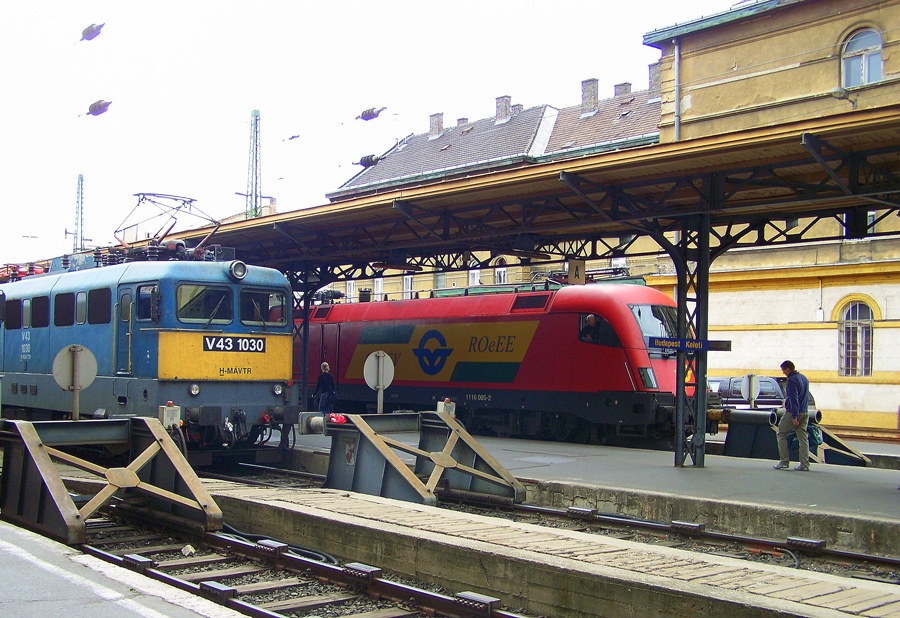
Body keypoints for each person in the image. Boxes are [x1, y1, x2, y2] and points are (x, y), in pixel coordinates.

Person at [773, 360, 811, 471]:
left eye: (784, 370)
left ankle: (784, 461)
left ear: (788, 369)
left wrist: (794, 416)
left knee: (781, 433)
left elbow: (794, 399)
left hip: (793, 413)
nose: (783, 373)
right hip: (805, 412)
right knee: (803, 438)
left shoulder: (792, 381)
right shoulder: (804, 378)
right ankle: (805, 464)